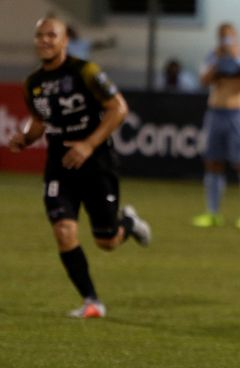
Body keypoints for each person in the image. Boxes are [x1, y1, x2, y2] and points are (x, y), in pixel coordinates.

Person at [9, 16, 151, 319]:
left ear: (64, 41)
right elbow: (39, 120)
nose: (44, 40)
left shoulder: (85, 71)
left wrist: (88, 144)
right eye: (39, 36)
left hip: (97, 163)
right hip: (60, 165)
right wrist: (25, 138)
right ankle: (92, 301)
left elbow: (119, 108)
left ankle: (129, 223)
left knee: (107, 241)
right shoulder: (33, 84)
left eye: (51, 35)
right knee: (63, 230)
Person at [192, 22, 240, 230]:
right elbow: (203, 81)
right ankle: (213, 213)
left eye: (229, 35)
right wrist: (220, 60)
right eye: (222, 36)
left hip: (238, 114)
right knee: (213, 162)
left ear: (236, 36)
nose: (226, 39)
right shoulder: (213, 56)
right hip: (216, 114)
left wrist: (236, 58)